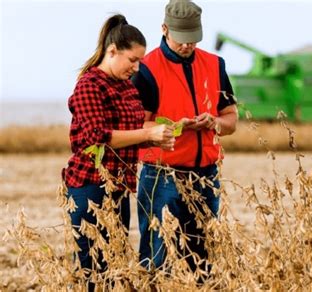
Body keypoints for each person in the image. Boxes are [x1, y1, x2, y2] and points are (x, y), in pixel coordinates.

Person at [62, 14, 175, 281]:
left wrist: (155, 138)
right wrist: (147, 132)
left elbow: (128, 135)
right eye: (132, 60)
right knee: (93, 271)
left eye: (140, 61)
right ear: (112, 51)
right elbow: (96, 137)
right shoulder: (90, 85)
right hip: (89, 187)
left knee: (114, 266)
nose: (137, 68)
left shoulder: (127, 87)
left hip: (119, 189)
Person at [132, 0, 238, 277]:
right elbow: (138, 126)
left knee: (202, 257)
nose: (188, 45)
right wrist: (177, 127)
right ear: (165, 29)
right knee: (157, 254)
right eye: (182, 39)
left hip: (206, 175)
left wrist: (214, 122)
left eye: (193, 39)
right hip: (161, 175)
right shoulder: (146, 68)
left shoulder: (216, 64)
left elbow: (231, 120)